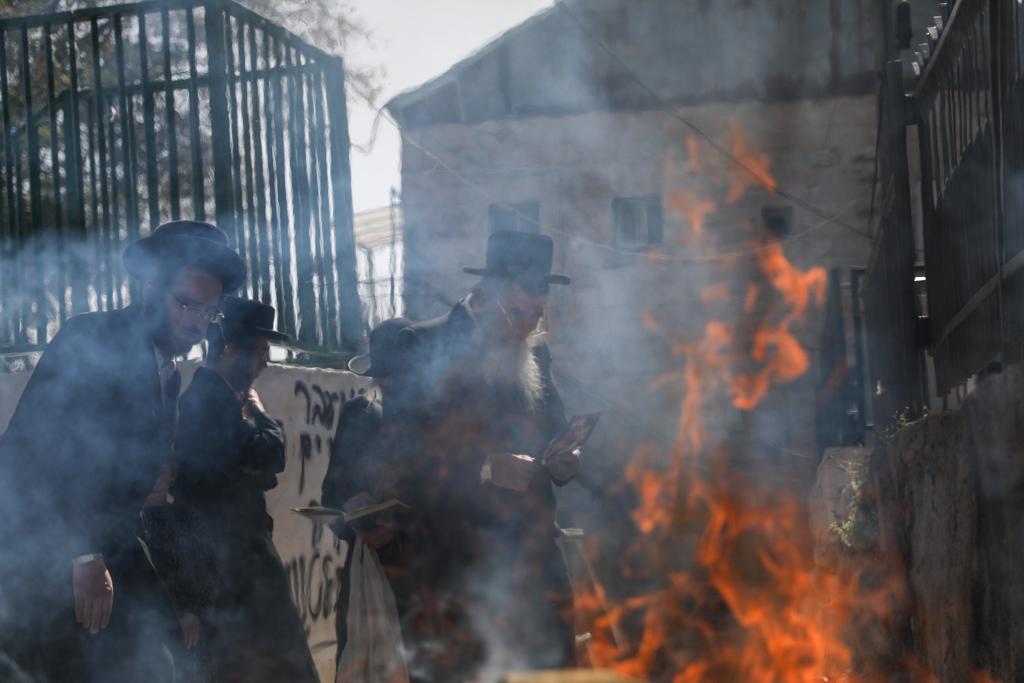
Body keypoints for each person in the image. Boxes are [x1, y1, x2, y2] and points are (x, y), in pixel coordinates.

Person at [0, 220, 245, 683]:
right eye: (187, 305)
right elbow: (34, 456)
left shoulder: (167, 373)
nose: (197, 322)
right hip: (43, 555)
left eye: (208, 313)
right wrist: (84, 555)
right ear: (151, 285)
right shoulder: (93, 339)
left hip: (108, 548)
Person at [401, 230, 582, 679]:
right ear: (490, 293)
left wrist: (564, 457)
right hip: (461, 569)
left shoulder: (534, 353)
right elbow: (406, 461)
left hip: (535, 568)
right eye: (519, 311)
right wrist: (484, 468)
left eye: (537, 314)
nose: (528, 324)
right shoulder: (423, 346)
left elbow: (553, 430)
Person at [168, 297, 318, 683]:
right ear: (231, 348)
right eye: (260, 351)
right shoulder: (210, 402)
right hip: (232, 569)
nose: (265, 363)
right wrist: (259, 411)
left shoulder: (220, 401)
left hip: (234, 567)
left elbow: (260, 470)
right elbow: (269, 457)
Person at [321, 317, 417, 673]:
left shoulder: (437, 424)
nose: (384, 381)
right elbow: (330, 495)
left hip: (420, 581)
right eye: (381, 372)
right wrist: (351, 513)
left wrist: (399, 525)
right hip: (365, 572)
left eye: (394, 372)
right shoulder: (357, 416)